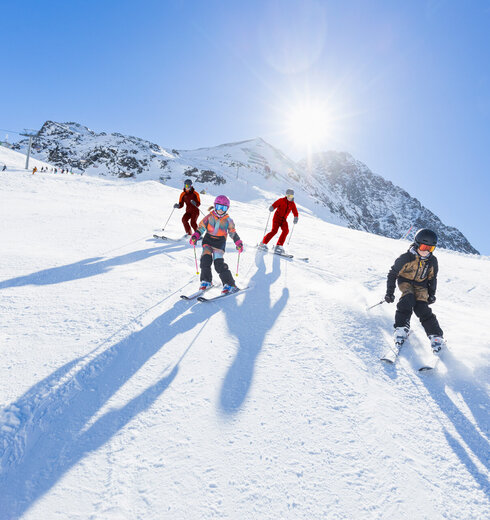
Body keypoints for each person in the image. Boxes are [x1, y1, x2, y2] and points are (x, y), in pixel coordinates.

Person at [384, 228, 445, 353]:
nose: (426, 252)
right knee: (408, 299)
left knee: (422, 308)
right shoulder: (406, 258)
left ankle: (436, 336)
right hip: (405, 282)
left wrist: (431, 294)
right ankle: (401, 328)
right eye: (423, 247)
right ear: (417, 244)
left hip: (421, 286)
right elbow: (392, 274)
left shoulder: (432, 261)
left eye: (430, 249)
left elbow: (432, 278)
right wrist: (389, 292)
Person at [189, 195, 244, 295]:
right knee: (205, 260)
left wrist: (238, 242)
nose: (221, 210)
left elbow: (232, 232)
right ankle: (206, 281)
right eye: (219, 207)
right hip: (208, 241)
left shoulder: (228, 220)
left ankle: (230, 284)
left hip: (219, 243)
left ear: (227, 208)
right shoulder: (209, 217)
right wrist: (195, 236)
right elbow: (201, 227)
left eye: (224, 208)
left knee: (218, 264)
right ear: (215, 206)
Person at [259, 188, 299, 253]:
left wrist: (296, 217)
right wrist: (272, 207)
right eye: (288, 195)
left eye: (291, 196)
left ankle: (279, 246)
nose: (289, 197)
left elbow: (295, 212)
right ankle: (263, 243)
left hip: (283, 220)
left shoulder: (292, 204)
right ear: (286, 195)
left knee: (286, 230)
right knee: (274, 231)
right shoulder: (281, 200)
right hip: (277, 218)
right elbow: (275, 204)